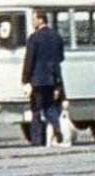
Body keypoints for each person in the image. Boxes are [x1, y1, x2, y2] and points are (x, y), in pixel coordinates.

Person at [21, 10, 66, 147]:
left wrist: (25, 79)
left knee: (36, 110)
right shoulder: (56, 37)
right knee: (50, 106)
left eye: (34, 19)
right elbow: (61, 57)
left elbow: (29, 60)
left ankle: (37, 140)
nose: (32, 22)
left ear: (41, 20)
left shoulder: (33, 38)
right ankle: (57, 127)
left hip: (37, 79)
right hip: (52, 78)